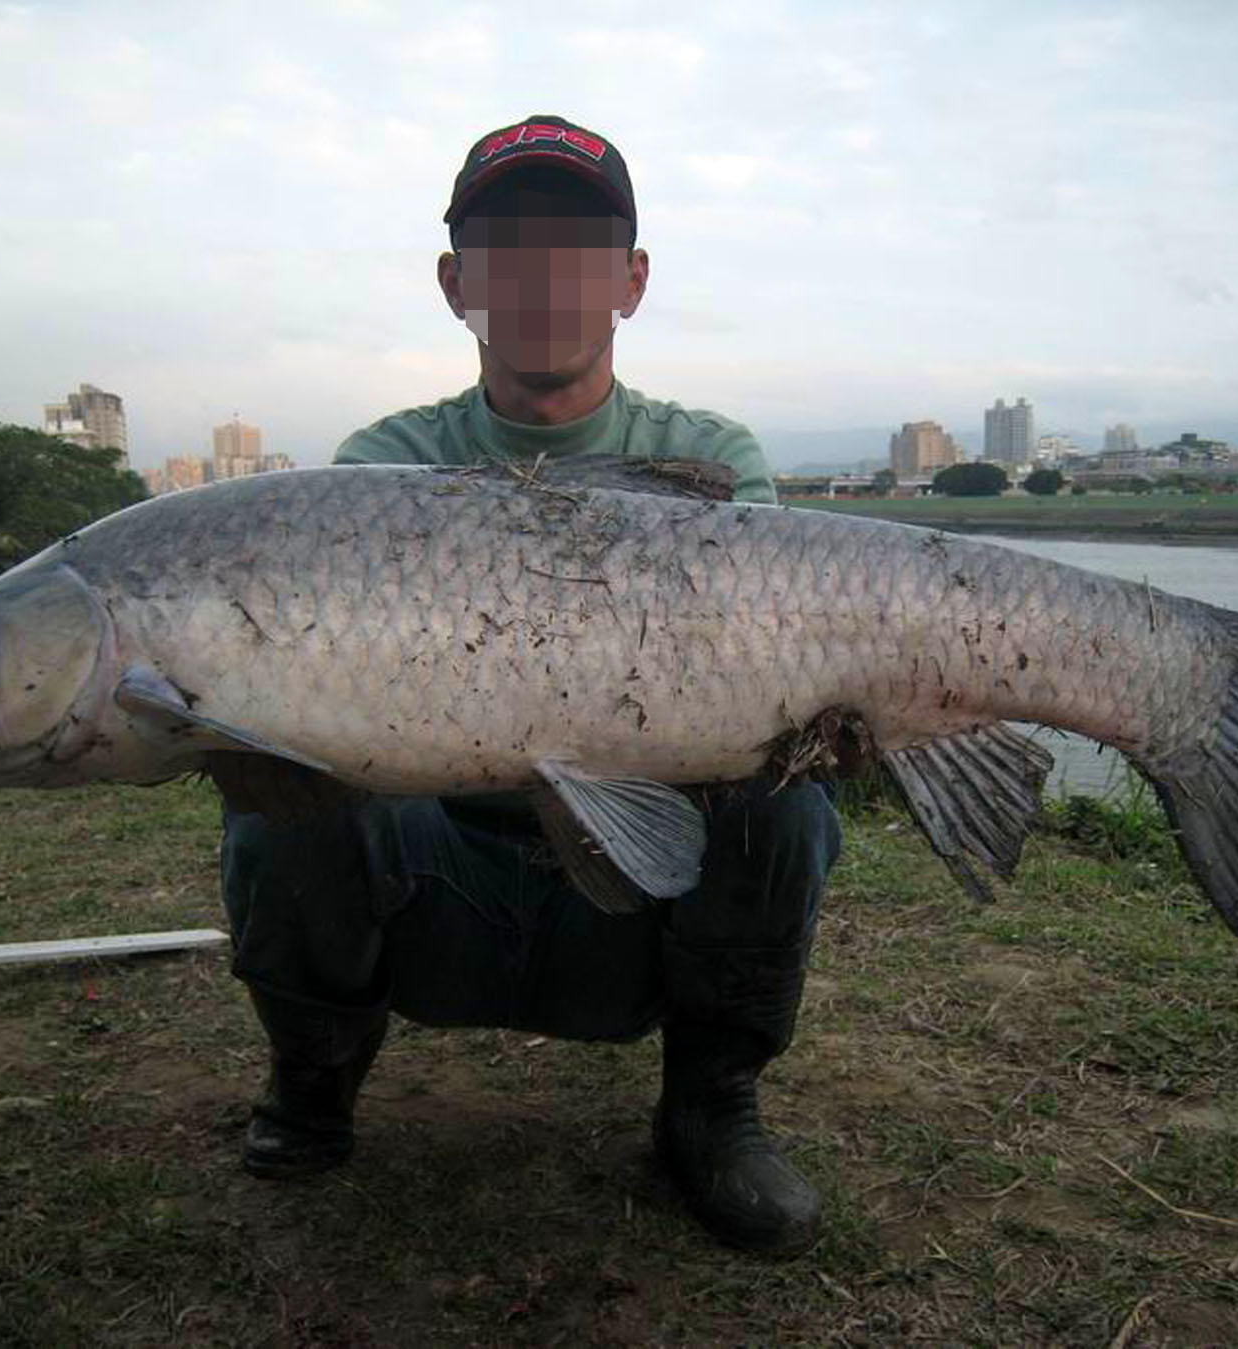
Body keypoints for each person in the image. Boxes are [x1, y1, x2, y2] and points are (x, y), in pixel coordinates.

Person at [218, 115, 843, 1257]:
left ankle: (711, 1108)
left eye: (579, 244)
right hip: (435, 865)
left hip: (637, 880)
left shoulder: (711, 458)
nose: (543, 276)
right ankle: (312, 1079)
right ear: (457, 281)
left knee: (787, 795)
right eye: (506, 246)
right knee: (279, 792)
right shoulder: (381, 471)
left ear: (632, 280)